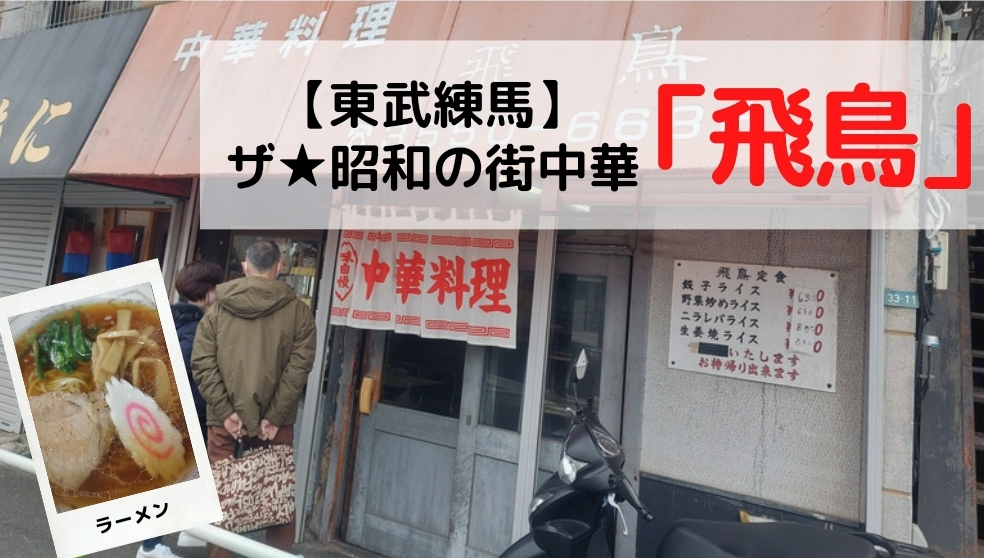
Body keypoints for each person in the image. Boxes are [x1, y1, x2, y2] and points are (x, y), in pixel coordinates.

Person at [192, 240, 317, 558]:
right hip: (276, 426)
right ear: (280, 267)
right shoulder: (300, 313)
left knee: (223, 497)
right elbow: (298, 370)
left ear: (245, 267)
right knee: (278, 496)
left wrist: (226, 412)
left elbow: (202, 363)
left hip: (224, 424)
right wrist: (273, 417)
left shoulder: (217, 310)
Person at [136, 260, 224, 558]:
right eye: (215, 288)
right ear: (207, 292)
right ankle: (150, 547)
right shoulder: (196, 329)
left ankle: (189, 530)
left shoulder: (168, 319)